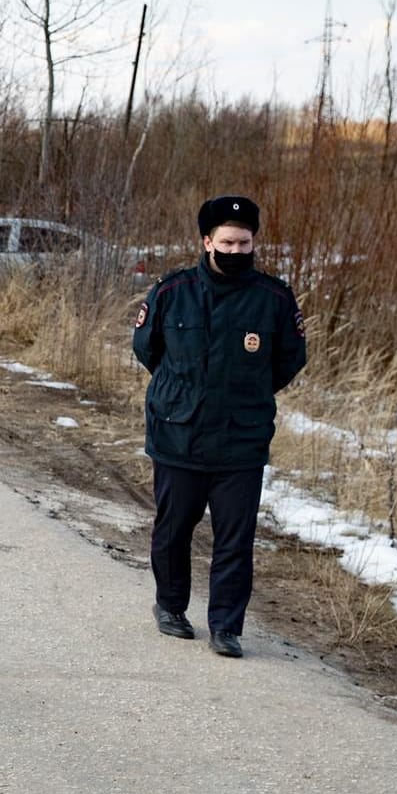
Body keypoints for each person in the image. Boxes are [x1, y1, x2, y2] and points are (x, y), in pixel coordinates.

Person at [133, 196, 307, 658]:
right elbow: (147, 349)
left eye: (244, 242)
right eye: (227, 241)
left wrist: (243, 393)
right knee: (173, 530)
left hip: (241, 439)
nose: (236, 249)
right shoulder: (172, 292)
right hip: (178, 433)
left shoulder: (273, 298)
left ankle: (227, 627)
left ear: (254, 242)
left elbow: (289, 359)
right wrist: (183, 392)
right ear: (207, 241)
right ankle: (170, 607)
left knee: (235, 538)